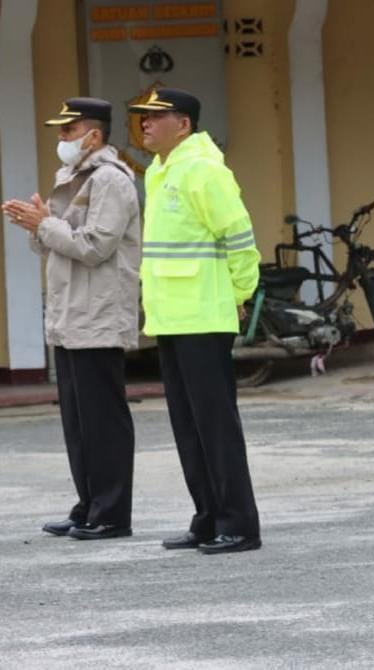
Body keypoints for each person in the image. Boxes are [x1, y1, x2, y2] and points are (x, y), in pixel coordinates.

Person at [128, 88, 262, 555]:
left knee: (215, 424)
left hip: (205, 317)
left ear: (182, 124)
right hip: (171, 319)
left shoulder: (204, 169)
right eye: (141, 118)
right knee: (188, 425)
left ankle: (239, 523)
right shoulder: (162, 172)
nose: (144, 124)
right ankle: (207, 517)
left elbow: (239, 237)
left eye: (154, 117)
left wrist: (241, 294)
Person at [3, 98, 140, 540]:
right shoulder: (72, 177)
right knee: (78, 422)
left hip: (97, 314)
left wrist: (44, 225)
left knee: (103, 419)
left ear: (94, 136)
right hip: (69, 314)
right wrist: (37, 225)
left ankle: (113, 513)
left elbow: (95, 246)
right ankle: (88, 505)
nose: (61, 139)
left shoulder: (111, 180)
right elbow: (57, 243)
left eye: (68, 131)